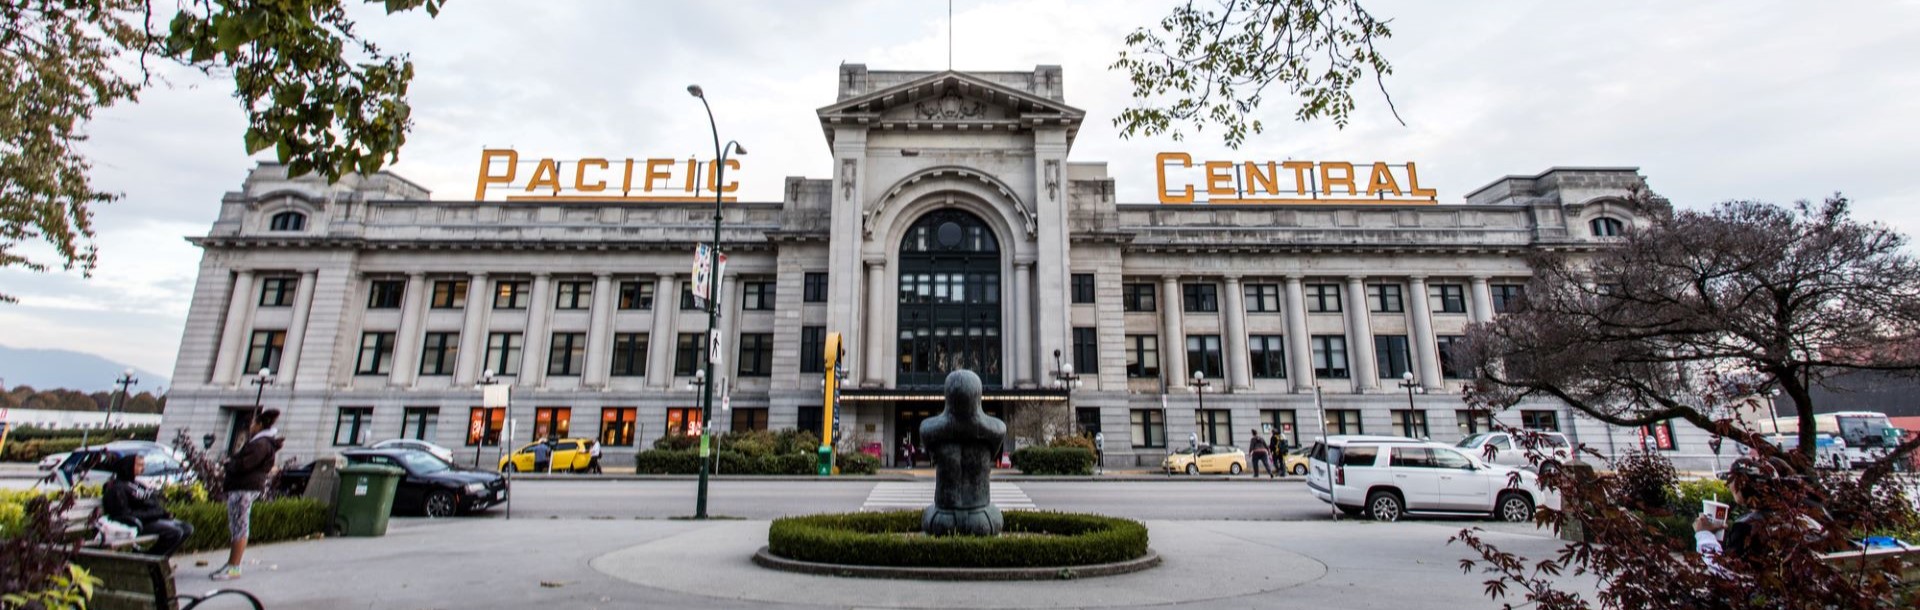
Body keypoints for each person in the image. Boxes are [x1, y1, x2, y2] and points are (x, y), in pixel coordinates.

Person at [214, 408, 283, 581]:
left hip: (245, 487)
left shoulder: (260, 444)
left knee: (240, 527)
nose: (250, 426)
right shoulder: (263, 443)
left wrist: (229, 464)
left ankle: (234, 567)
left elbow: (245, 464)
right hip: (246, 487)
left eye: (253, 423)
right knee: (238, 526)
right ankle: (232, 563)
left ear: (259, 425)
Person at [102, 453, 192, 557]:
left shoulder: (137, 484)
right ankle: (151, 559)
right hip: (136, 523)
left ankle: (157, 557)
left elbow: (152, 502)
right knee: (174, 532)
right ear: (129, 466)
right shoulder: (116, 488)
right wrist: (155, 514)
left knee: (187, 528)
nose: (143, 468)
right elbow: (123, 513)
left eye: (143, 465)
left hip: (150, 519)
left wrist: (161, 513)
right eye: (139, 465)